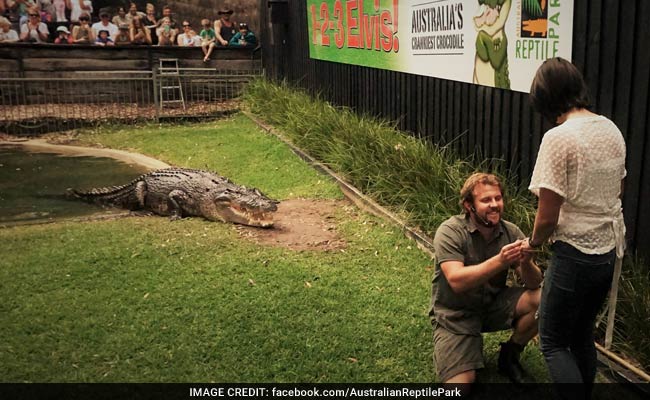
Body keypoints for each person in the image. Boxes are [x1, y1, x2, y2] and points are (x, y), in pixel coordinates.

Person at [522, 57, 626, 400]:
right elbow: (618, 192)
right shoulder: (611, 128)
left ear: (546, 98)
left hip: (574, 255)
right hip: (608, 253)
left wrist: (533, 244)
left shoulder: (559, 138)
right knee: (582, 334)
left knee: (552, 342)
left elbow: (548, 215)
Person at [429, 172, 542, 385]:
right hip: (456, 315)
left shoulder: (511, 232)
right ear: (468, 206)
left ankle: (510, 356)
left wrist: (527, 263)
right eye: (486, 200)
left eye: (498, 198)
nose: (494, 205)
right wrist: (500, 261)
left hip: (492, 305)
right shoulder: (450, 231)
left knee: (544, 298)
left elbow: (534, 283)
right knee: (460, 385)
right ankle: (461, 348)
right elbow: (456, 280)